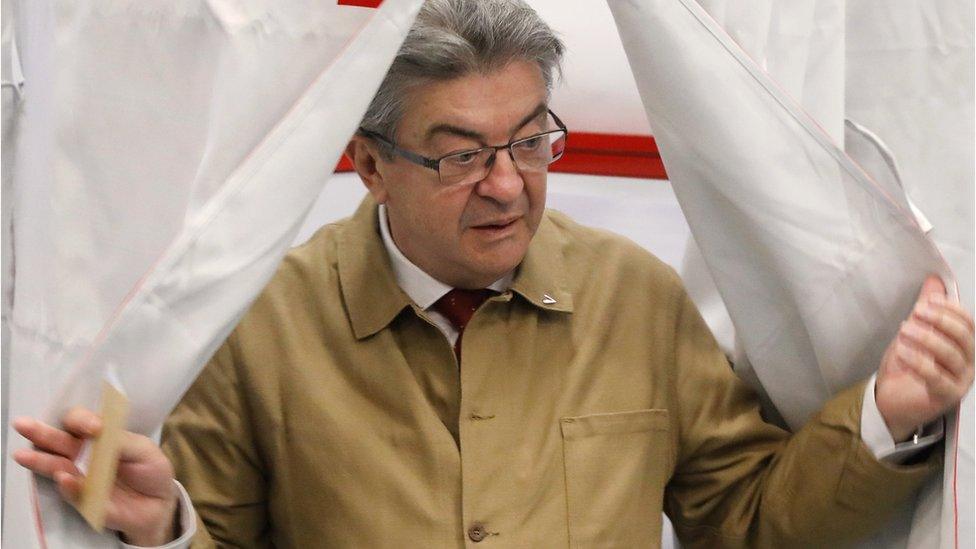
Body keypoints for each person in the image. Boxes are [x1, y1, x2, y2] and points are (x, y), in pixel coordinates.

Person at [12, 0, 975, 547]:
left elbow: (748, 518)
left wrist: (886, 413)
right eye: (460, 154)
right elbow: (216, 535)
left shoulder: (635, 298)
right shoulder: (266, 317)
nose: (508, 186)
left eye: (530, 141)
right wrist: (165, 522)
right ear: (370, 162)